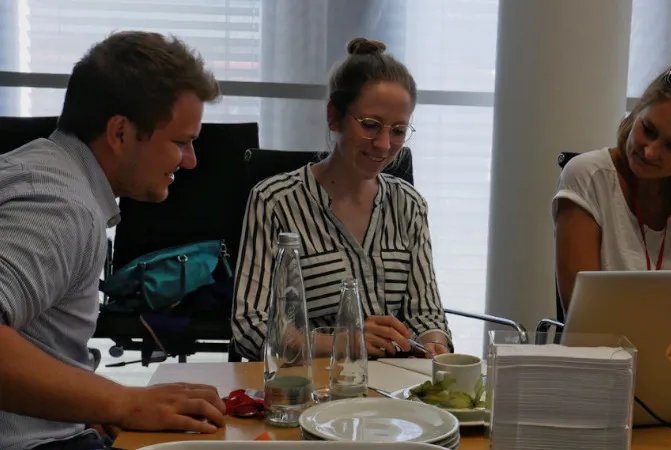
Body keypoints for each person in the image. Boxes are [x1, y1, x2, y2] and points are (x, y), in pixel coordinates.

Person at [0, 31, 226, 449]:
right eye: (181, 142)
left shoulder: (39, 168)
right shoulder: (60, 206)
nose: (191, 160)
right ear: (120, 132)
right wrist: (121, 402)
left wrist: (92, 402)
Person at [232, 37, 451, 361]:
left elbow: (427, 313)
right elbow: (250, 328)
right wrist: (343, 343)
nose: (383, 144)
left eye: (398, 130)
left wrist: (434, 341)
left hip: (394, 396)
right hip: (314, 392)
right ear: (334, 117)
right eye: (370, 125)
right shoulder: (275, 202)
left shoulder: (410, 205)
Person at [553, 64, 671, 311]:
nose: (649, 151)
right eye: (648, 130)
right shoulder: (588, 176)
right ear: (637, 112)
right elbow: (582, 316)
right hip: (603, 348)